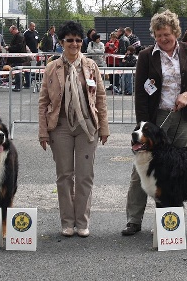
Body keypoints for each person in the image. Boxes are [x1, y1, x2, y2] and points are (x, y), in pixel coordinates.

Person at [121, 10, 187, 236]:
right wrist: (143, 125)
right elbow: (141, 94)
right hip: (156, 119)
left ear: (176, 33)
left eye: (167, 35)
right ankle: (134, 219)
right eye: (158, 35)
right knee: (140, 169)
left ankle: (171, 220)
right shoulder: (146, 55)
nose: (163, 39)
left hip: (185, 116)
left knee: (179, 169)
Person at [38, 20, 110, 238]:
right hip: (60, 127)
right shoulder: (52, 68)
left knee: (85, 175)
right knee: (64, 176)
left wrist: (104, 127)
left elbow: (100, 97)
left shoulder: (90, 66)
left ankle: (82, 222)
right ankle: (67, 222)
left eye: (78, 40)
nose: (75, 44)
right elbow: (43, 102)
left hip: (87, 126)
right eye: (70, 40)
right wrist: (43, 131)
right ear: (61, 42)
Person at [5, 25, 28, 92]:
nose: (11, 33)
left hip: (18, 58)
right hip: (17, 57)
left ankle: (18, 86)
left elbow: (18, 46)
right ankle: (18, 85)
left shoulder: (19, 36)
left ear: (15, 29)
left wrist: (9, 48)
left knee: (18, 72)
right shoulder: (19, 36)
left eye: (11, 31)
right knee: (17, 72)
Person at [114, 27, 130, 93]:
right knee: (126, 75)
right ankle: (126, 89)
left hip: (123, 60)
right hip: (126, 59)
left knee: (122, 75)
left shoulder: (122, 39)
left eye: (117, 31)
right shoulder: (125, 38)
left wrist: (119, 55)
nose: (116, 33)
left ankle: (123, 89)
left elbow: (123, 50)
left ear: (120, 32)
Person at [23, 22, 39, 88]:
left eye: (34, 26)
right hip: (28, 54)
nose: (34, 28)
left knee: (34, 68)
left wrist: (37, 47)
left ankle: (32, 81)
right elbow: (24, 43)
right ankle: (27, 83)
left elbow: (38, 41)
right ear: (30, 26)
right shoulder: (26, 33)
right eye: (33, 26)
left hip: (35, 53)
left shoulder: (36, 32)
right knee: (27, 68)